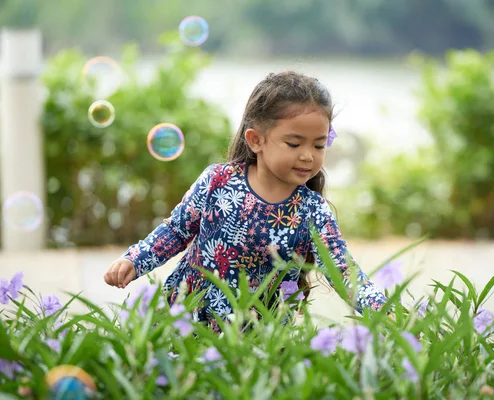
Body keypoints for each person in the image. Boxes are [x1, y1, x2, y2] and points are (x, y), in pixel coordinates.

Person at [104, 71, 388, 332]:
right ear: (256, 140)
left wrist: (386, 312)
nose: (308, 156)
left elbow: (343, 272)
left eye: (318, 145)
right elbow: (177, 231)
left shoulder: (312, 211)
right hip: (186, 319)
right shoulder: (218, 181)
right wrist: (135, 259)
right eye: (294, 143)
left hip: (258, 337)